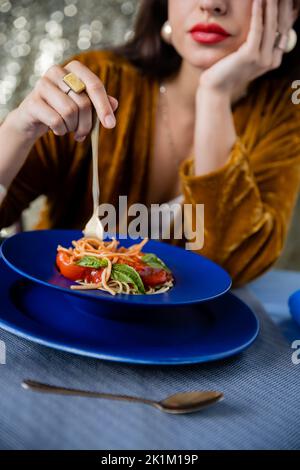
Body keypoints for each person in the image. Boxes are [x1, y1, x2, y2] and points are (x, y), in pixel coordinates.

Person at [0, 0, 300, 287]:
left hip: (186, 335)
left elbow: (230, 269)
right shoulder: (98, 83)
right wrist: (17, 129)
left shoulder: (284, 113)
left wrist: (214, 93)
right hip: (57, 314)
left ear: (290, 8)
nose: (211, 3)